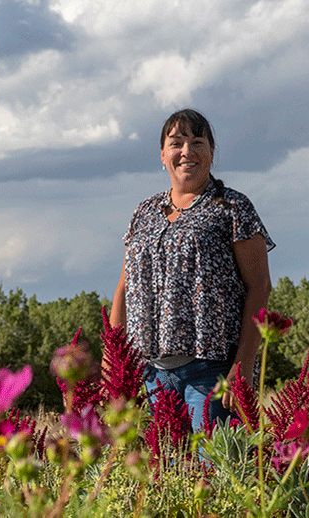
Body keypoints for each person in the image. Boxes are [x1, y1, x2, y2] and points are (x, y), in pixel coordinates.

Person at [109, 108, 275, 432]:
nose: (187, 151)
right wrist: (113, 361)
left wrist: (243, 365)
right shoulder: (144, 212)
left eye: (197, 142)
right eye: (176, 143)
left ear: (211, 153)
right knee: (169, 474)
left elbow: (260, 286)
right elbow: (123, 288)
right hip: (150, 375)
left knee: (212, 470)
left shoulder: (231, 207)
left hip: (212, 371)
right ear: (162, 154)